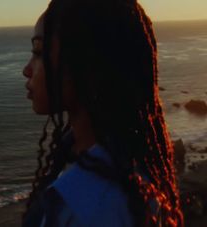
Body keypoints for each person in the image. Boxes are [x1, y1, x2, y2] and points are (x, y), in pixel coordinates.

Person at [21, 0, 184, 226]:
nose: (26, 70)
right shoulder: (123, 166)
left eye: (39, 52)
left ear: (87, 64)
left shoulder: (93, 209)